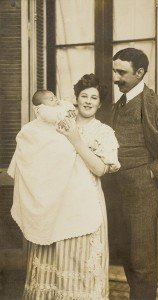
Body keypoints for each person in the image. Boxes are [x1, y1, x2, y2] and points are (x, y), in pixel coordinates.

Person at [8, 76, 120, 299]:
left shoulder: (103, 131)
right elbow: (34, 157)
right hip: (52, 206)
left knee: (78, 269)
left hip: (83, 205)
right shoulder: (54, 124)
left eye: (94, 98)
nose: (88, 101)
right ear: (76, 99)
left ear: (100, 103)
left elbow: (100, 169)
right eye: (84, 96)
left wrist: (76, 140)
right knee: (50, 267)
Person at [111, 48, 158, 300]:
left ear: (140, 72)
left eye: (121, 72)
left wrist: (150, 175)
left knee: (142, 260)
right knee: (124, 254)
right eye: (115, 71)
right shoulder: (116, 106)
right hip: (115, 192)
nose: (116, 77)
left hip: (143, 193)